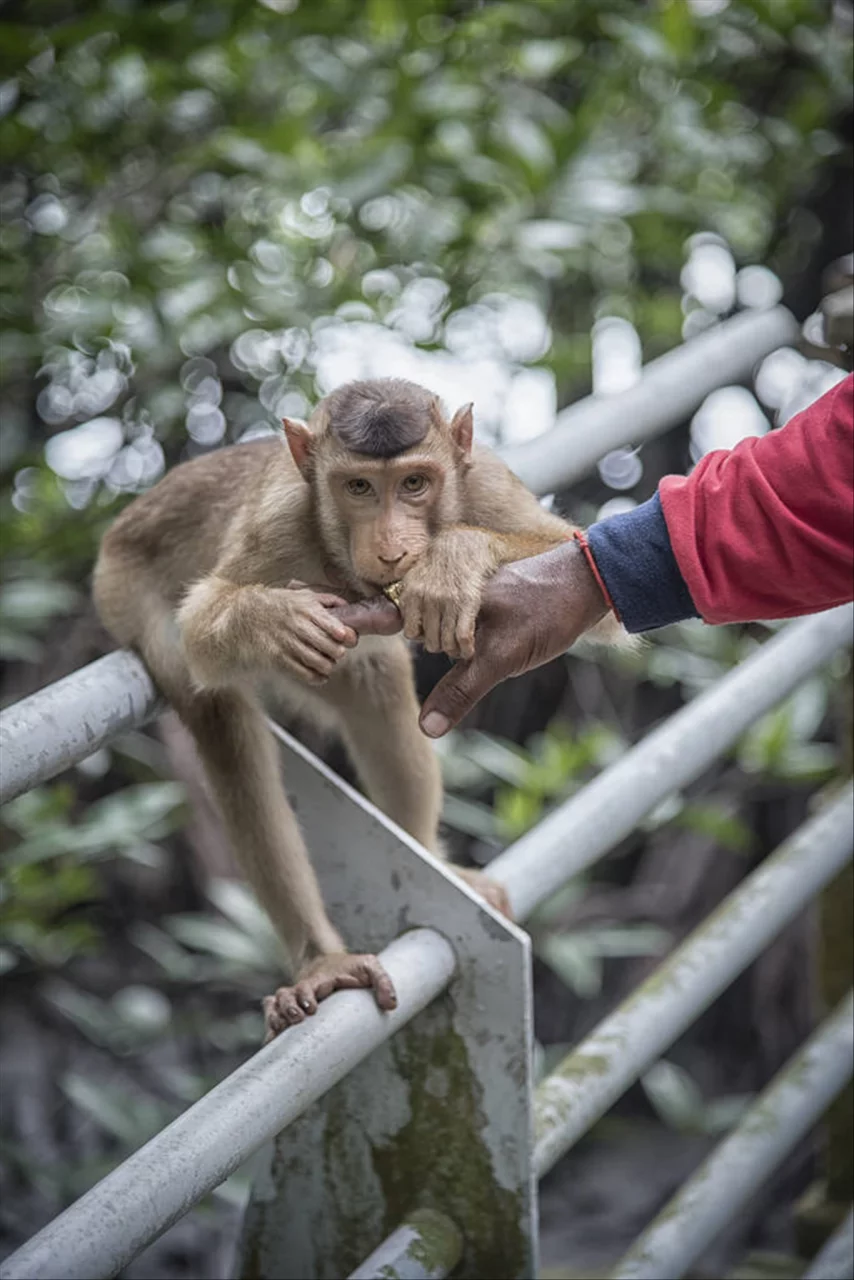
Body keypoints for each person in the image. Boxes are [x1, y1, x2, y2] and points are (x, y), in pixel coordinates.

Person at [411, 371, 854, 739]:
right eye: (357, 488)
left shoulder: (478, 479)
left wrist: (600, 570)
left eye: (413, 485)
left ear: (463, 441)